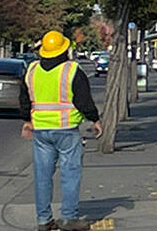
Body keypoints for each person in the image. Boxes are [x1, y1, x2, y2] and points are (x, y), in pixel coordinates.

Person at [19, 30, 102, 231]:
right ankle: (68, 218)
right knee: (70, 174)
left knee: (42, 176)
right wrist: (94, 119)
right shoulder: (72, 71)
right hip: (66, 130)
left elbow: (24, 100)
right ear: (64, 49)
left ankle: (43, 220)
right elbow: (84, 101)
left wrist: (27, 121)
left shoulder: (31, 70)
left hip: (41, 131)